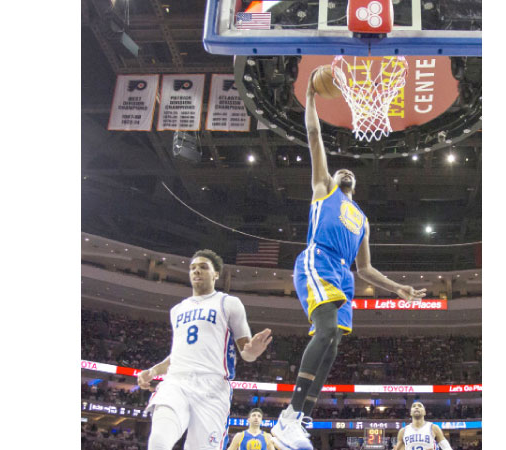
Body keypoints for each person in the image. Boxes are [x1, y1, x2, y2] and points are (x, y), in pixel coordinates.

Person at [270, 72, 428, 450]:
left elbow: (366, 268)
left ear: (354, 184)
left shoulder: (362, 218)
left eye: (349, 172)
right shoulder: (323, 188)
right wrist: (310, 97)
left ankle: (302, 420)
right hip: (318, 260)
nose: (343, 171)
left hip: (344, 274)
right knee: (324, 331)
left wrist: (398, 288)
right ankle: (288, 415)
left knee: (333, 344)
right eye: (340, 169)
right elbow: (314, 137)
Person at [137, 249, 273, 450]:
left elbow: (245, 350)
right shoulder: (177, 310)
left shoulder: (228, 303)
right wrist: (154, 370)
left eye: (203, 267)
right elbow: (178, 353)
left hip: (212, 387)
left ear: (216, 274)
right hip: (176, 382)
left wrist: (252, 352)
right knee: (158, 441)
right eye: (192, 268)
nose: (196, 271)